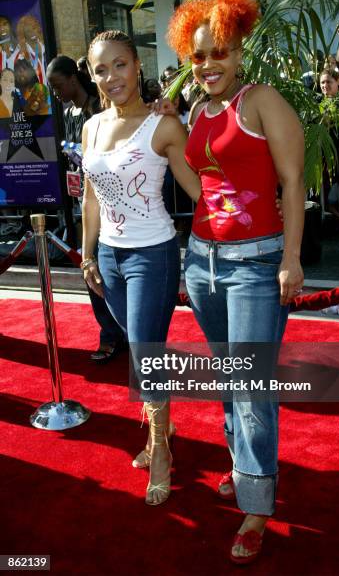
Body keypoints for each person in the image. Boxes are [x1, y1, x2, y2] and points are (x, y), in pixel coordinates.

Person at [165, 0, 304, 564]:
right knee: (231, 381)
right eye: (197, 55)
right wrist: (170, 133)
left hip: (255, 264)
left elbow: (294, 185)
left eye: (218, 51)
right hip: (201, 261)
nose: (207, 65)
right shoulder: (199, 111)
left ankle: (256, 504)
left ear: (240, 48)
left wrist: (292, 260)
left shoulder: (262, 100)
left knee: (250, 387)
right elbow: (203, 187)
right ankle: (244, 468)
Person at [81, 30, 200, 505]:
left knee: (147, 352)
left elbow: (199, 188)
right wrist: (89, 253)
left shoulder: (163, 126)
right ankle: (159, 428)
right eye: (101, 69)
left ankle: (163, 448)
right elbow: (92, 197)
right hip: (109, 254)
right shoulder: (90, 127)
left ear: (137, 65)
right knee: (139, 351)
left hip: (153, 253)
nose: (112, 77)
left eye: (120, 65)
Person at [46, 55, 126, 364]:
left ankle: (125, 332)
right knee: (89, 268)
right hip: (85, 202)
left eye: (57, 85)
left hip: (112, 203)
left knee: (113, 269)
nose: (55, 93)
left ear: (73, 79)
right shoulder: (69, 113)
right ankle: (109, 333)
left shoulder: (101, 108)